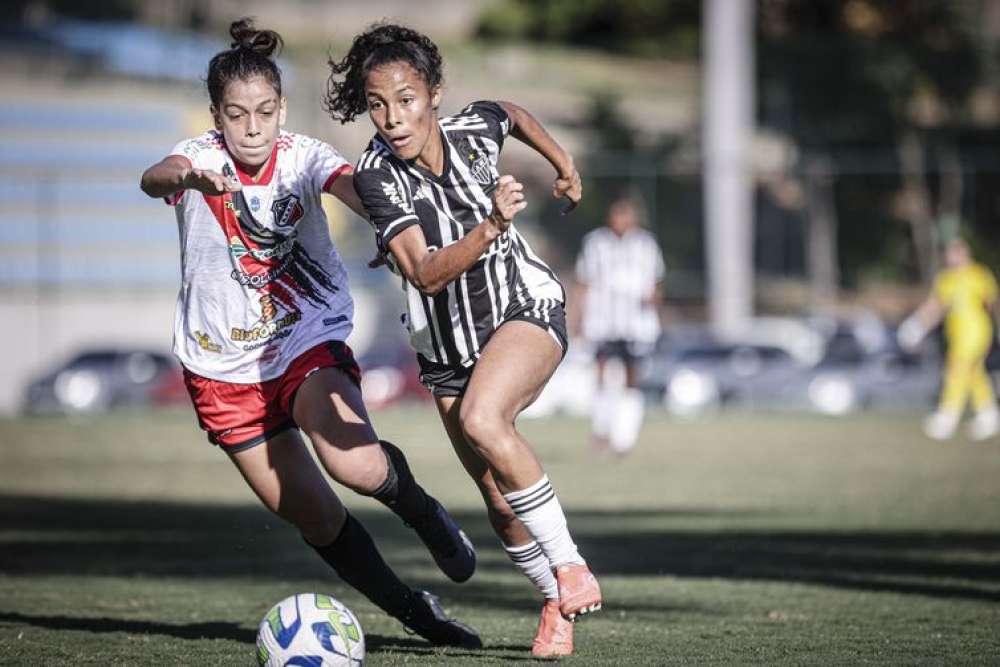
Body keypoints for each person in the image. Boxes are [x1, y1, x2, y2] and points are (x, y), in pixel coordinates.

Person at [138, 18, 481, 648]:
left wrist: (392, 229)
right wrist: (185, 178)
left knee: (352, 464)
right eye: (236, 114)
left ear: (282, 109)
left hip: (302, 337)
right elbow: (154, 176)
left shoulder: (304, 155)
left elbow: (356, 190)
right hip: (221, 369)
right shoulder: (200, 159)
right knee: (317, 517)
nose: (251, 127)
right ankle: (415, 612)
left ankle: (425, 513)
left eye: (264, 112)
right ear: (216, 114)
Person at [324, 22, 602, 658]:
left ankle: (571, 566)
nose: (392, 118)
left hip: (523, 306)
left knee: (484, 419)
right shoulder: (376, 176)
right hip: (445, 349)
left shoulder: (474, 129)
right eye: (377, 104)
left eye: (406, 99)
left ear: (435, 94)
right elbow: (424, 272)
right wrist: (492, 222)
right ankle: (556, 603)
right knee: (500, 505)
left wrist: (564, 164)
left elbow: (511, 113)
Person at [574, 194, 665, 455]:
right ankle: (602, 430)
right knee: (602, 374)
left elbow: (656, 284)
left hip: (636, 324)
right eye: (617, 215)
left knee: (632, 378)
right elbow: (584, 283)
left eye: (626, 215)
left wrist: (654, 303)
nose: (621, 221)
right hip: (603, 321)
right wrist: (578, 319)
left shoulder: (646, 245)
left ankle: (625, 437)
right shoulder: (595, 243)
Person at [898, 237, 999, 441]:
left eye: (956, 253)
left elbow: (993, 304)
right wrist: (917, 325)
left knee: (956, 371)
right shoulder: (946, 279)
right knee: (974, 373)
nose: (952, 257)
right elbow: (935, 307)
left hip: (977, 333)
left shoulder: (979, 275)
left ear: (965, 253)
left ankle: (947, 416)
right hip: (957, 335)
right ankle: (988, 415)